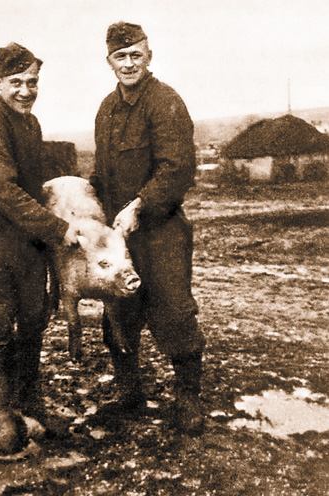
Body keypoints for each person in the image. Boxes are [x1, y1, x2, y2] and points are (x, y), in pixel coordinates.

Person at [0, 42, 78, 454]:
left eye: (32, 82)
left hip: (24, 246)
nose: (25, 91)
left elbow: (31, 186)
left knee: (33, 322)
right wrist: (58, 229)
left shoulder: (30, 124)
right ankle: (5, 415)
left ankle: (33, 404)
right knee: (0, 330)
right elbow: (5, 192)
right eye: (16, 83)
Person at [90, 22, 206, 434]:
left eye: (135, 54)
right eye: (120, 56)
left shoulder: (165, 101)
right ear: (109, 62)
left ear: (149, 56)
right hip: (119, 239)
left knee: (174, 312)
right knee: (118, 315)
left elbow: (178, 169)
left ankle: (188, 399)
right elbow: (102, 174)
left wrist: (140, 205)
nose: (128, 63)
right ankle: (129, 394)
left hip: (161, 232)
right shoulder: (106, 109)